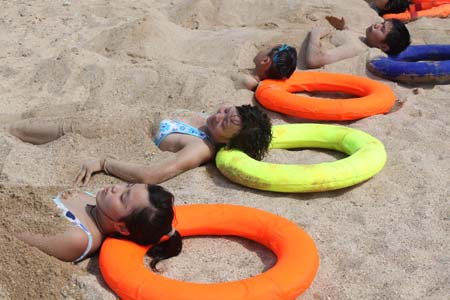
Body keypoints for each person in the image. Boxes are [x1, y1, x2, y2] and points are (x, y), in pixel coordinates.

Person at [9, 105, 272, 185]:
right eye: (226, 111)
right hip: (114, 115)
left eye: (225, 123)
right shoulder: (207, 126)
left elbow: (152, 175)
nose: (218, 117)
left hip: (103, 130)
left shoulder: (201, 149)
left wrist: (103, 163)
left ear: (229, 142)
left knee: (18, 130)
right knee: (23, 119)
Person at [18, 183, 182, 271]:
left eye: (123, 197)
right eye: (128, 185)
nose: (116, 188)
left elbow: (13, 231)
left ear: (123, 228)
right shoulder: (96, 201)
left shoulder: (78, 238)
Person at [305, 16, 411, 69]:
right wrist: (343, 27)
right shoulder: (365, 38)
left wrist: (315, 35)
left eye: (382, 29)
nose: (377, 25)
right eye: (382, 23)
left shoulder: (355, 48)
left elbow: (314, 61)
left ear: (383, 46)